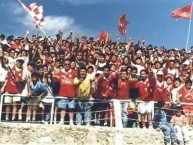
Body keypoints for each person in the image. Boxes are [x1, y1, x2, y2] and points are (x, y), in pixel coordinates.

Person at [53, 59, 77, 125]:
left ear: (70, 65)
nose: (67, 65)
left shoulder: (74, 72)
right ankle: (61, 121)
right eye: (65, 64)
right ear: (63, 65)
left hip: (72, 93)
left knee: (71, 108)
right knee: (62, 108)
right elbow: (55, 79)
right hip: (62, 93)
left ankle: (71, 122)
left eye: (68, 64)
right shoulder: (60, 73)